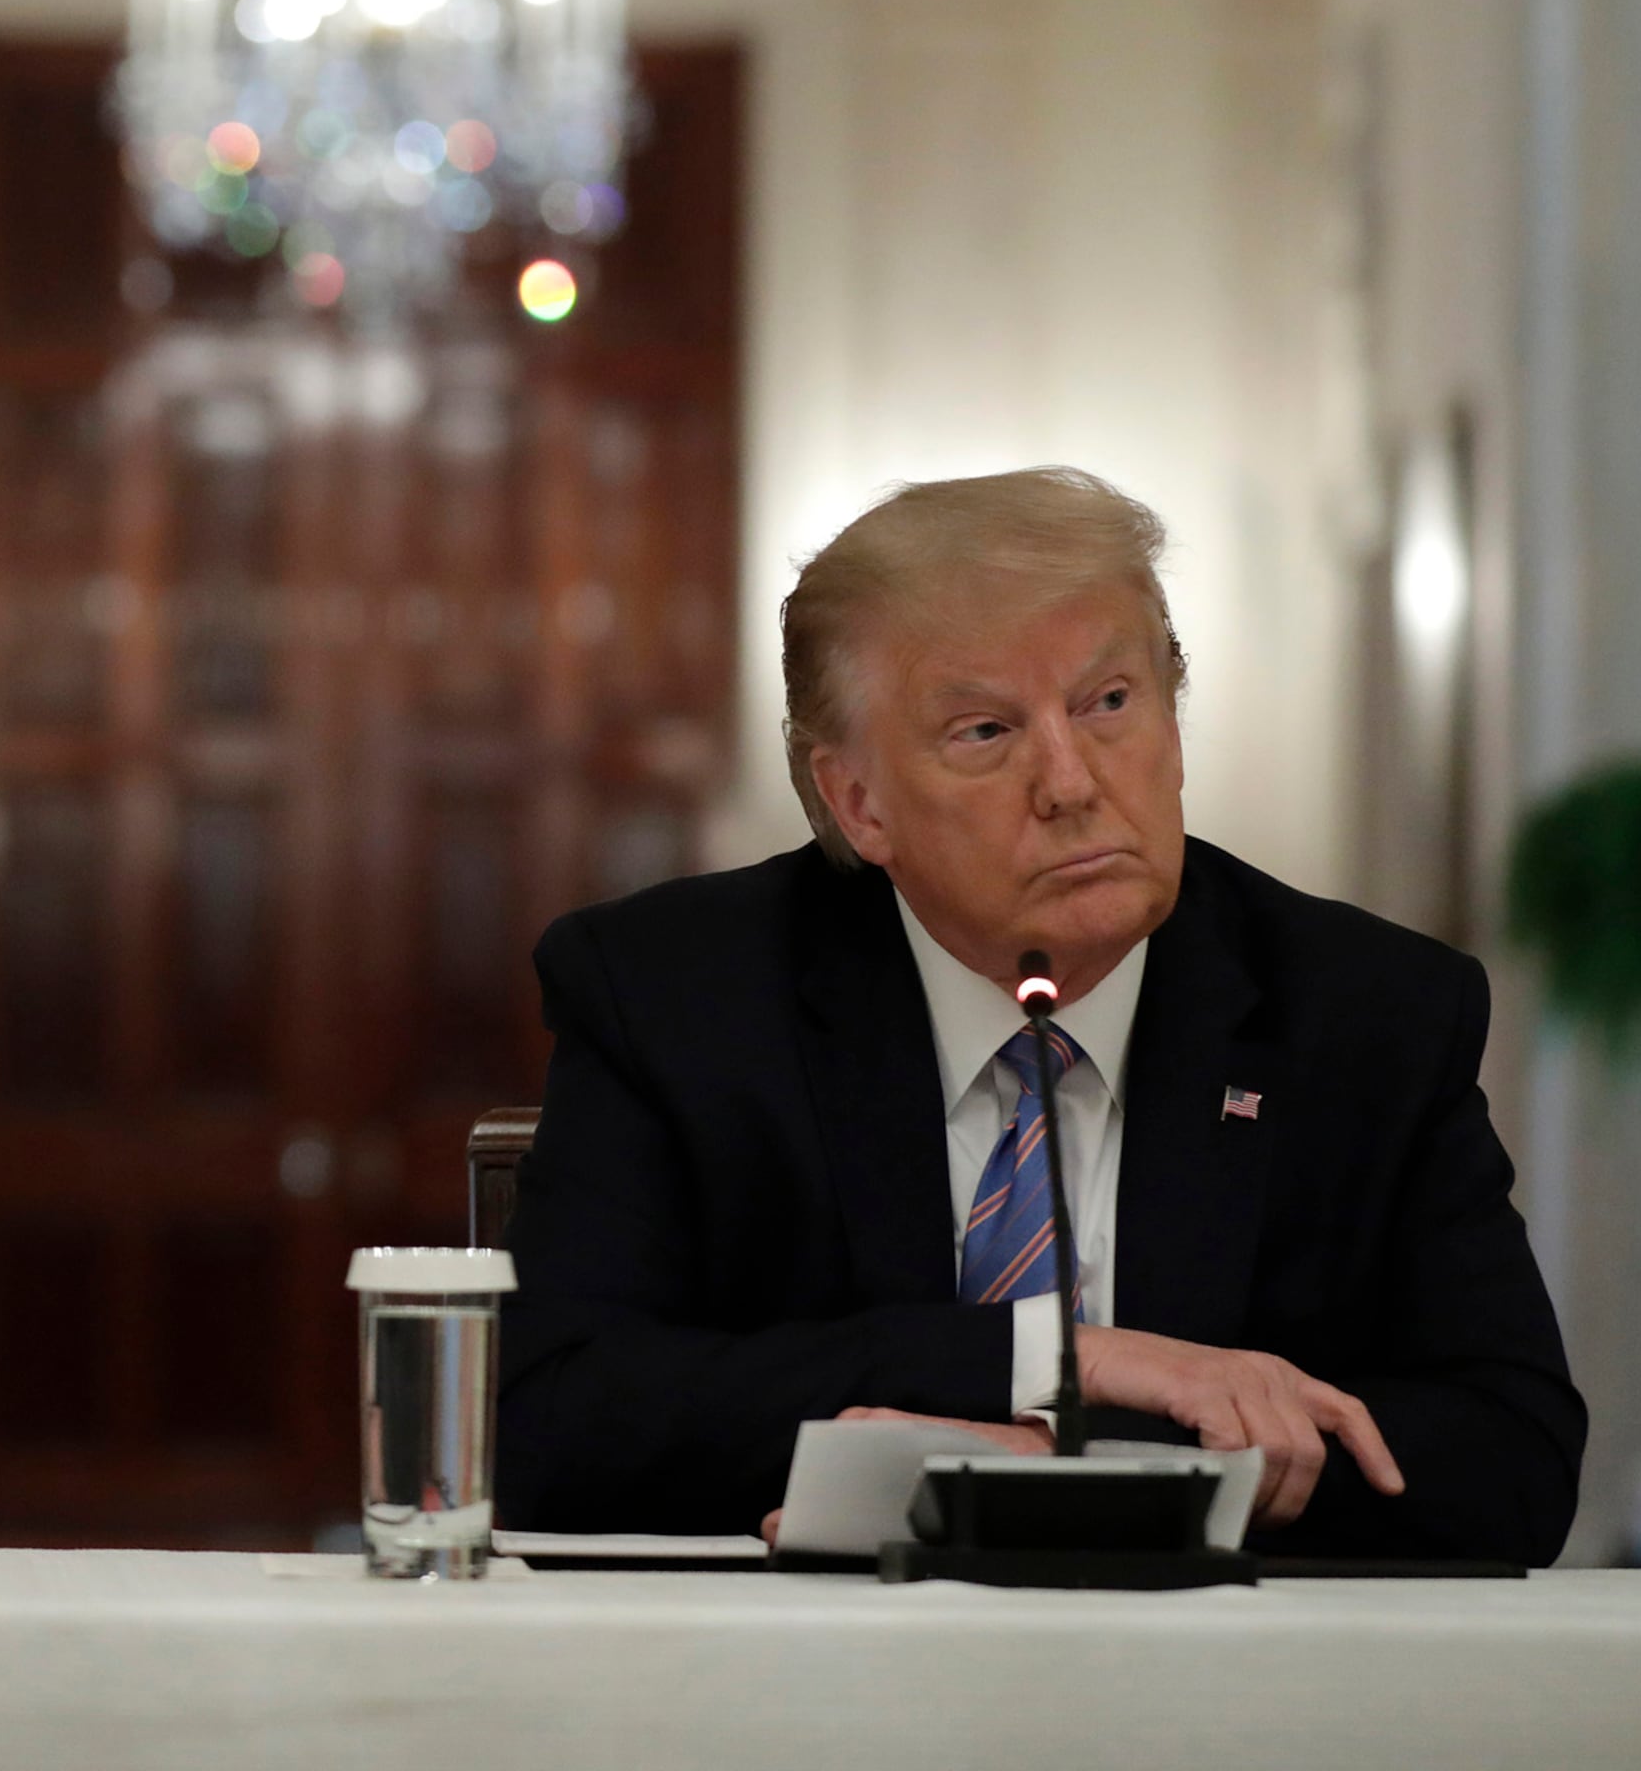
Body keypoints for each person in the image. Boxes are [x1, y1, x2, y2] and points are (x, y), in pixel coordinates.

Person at [496, 468, 1581, 1563]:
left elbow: (1513, 1456)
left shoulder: (1364, 1013)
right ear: (859, 802)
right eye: (985, 732)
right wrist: (1059, 1360)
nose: (1071, 782)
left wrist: (1087, 1472)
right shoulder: (679, 997)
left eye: (1110, 703)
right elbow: (550, 1422)